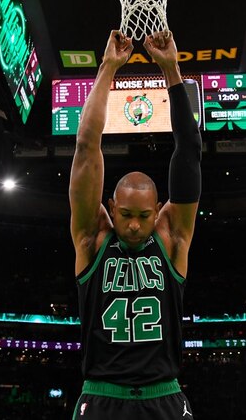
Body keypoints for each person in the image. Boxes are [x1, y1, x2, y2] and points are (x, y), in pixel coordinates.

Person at [69, 30, 202, 420]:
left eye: (144, 216)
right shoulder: (92, 238)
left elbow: (189, 151)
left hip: (164, 395)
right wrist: (108, 68)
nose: (132, 225)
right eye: (125, 214)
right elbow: (85, 146)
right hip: (102, 394)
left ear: (158, 210)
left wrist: (171, 69)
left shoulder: (172, 236)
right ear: (111, 206)